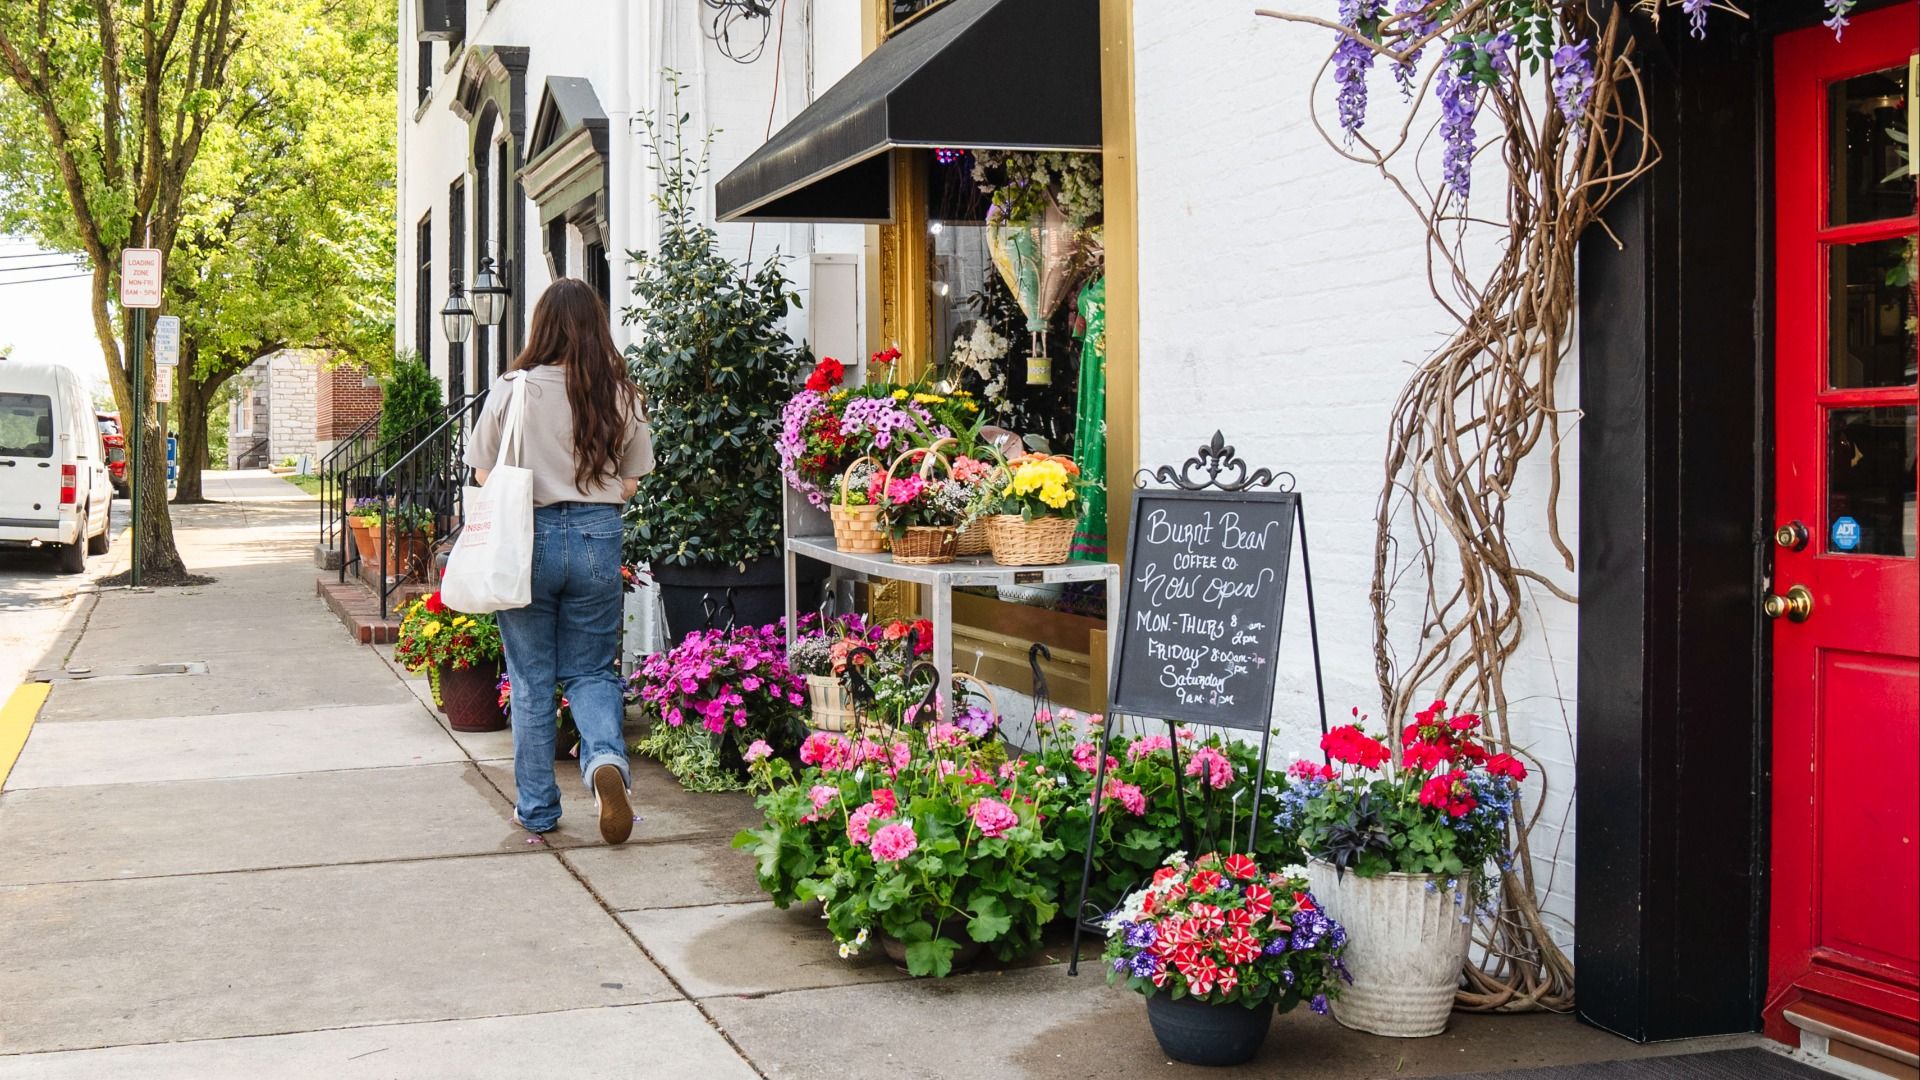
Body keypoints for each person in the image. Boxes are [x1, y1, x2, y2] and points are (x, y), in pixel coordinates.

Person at [465, 278, 653, 844]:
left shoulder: (513, 388)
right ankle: (604, 765)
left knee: (530, 678)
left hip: (529, 538)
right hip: (597, 536)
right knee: (592, 669)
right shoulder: (619, 391)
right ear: (596, 326)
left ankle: (539, 809)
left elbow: (482, 473)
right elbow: (631, 481)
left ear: (541, 326)